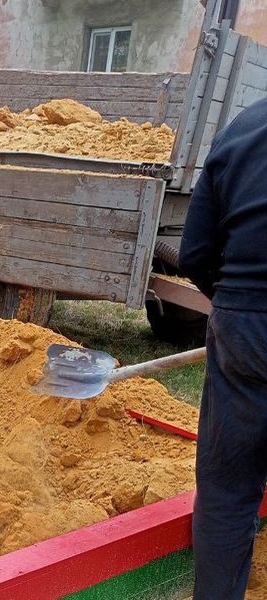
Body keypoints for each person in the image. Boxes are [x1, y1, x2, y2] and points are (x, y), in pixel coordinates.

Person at [179, 97, 267, 599]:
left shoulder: (245, 125)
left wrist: (238, 307)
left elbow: (194, 252)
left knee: (227, 493)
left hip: (243, 326)